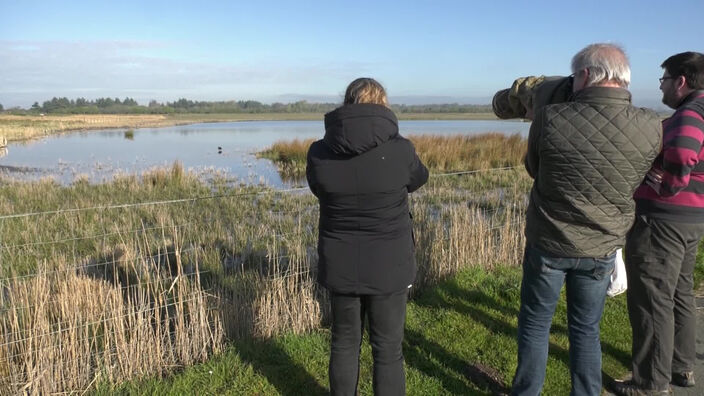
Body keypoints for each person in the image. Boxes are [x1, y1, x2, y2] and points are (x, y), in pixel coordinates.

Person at [495, 43, 662, 395]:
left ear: (586, 74)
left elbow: (533, 169)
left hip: (550, 242)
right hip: (601, 247)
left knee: (536, 324)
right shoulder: (650, 125)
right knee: (586, 329)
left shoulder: (551, 117)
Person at [306, 77, 429, 395]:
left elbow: (318, 188)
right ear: (384, 106)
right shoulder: (401, 150)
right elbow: (420, 178)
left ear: (347, 104)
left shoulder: (319, 153)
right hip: (390, 266)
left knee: (344, 343)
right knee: (388, 351)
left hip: (341, 263)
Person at [613, 51, 704, 395]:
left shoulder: (689, 114)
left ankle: (651, 382)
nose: (661, 87)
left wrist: (668, 185)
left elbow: (681, 153)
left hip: (664, 221)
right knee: (680, 292)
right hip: (693, 218)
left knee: (652, 299)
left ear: (680, 81)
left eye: (663, 80)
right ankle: (682, 367)